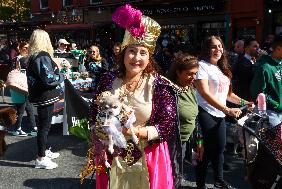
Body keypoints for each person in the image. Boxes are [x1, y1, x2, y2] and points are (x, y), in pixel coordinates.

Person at [87, 4, 182, 189]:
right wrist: (96, 138)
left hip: (148, 156)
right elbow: (94, 112)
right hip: (112, 154)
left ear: (149, 58)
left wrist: (134, 132)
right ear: (123, 53)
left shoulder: (160, 85)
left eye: (143, 53)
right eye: (131, 51)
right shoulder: (108, 79)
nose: (136, 58)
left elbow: (167, 125)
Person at [194, 36, 254, 189]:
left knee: (220, 149)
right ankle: (200, 184)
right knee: (205, 152)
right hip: (205, 113)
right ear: (206, 49)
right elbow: (205, 93)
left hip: (220, 114)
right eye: (214, 46)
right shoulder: (201, 66)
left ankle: (219, 180)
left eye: (220, 46)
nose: (218, 49)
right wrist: (226, 109)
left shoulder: (222, 69)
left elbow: (229, 95)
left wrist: (245, 103)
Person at [27, 29, 64, 170]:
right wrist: (61, 75)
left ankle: (44, 151)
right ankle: (41, 158)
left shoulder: (33, 56)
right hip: (44, 96)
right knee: (44, 127)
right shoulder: (41, 56)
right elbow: (49, 79)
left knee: (44, 127)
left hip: (40, 95)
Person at [167, 54, 203, 182]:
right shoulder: (168, 92)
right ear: (178, 72)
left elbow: (195, 118)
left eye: (195, 74)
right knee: (172, 176)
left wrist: (199, 142)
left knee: (177, 176)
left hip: (185, 143)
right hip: (170, 145)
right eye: (189, 74)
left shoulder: (190, 88)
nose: (193, 77)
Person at [251, 34, 282, 127]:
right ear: (278, 49)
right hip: (269, 114)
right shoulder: (264, 67)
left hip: (280, 113)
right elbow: (257, 93)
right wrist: (276, 104)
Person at [9, 41, 37, 137]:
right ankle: (17, 129)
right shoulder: (20, 59)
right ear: (19, 49)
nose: (27, 49)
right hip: (19, 87)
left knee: (29, 108)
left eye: (28, 48)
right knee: (20, 108)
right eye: (25, 48)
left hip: (25, 86)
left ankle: (33, 127)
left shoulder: (22, 59)